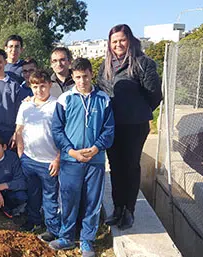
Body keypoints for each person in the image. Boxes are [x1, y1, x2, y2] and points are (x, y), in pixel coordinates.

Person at [98, 24, 162, 230]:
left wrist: (139, 111)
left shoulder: (143, 63)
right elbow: (101, 91)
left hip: (134, 126)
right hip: (112, 125)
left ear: (130, 40)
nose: (118, 44)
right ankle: (117, 208)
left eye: (121, 40)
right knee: (116, 168)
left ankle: (129, 210)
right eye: (114, 41)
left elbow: (154, 95)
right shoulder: (105, 66)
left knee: (130, 166)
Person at [49, 58, 115, 257]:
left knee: (92, 201)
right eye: (78, 77)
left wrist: (96, 148)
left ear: (91, 74)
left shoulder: (103, 99)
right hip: (71, 160)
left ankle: (87, 241)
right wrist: (70, 151)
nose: (82, 81)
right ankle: (67, 237)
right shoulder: (65, 99)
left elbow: (109, 129)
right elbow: (57, 130)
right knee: (69, 199)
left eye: (85, 76)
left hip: (94, 160)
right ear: (72, 77)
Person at [15, 70, 60, 236]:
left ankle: (52, 229)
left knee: (50, 197)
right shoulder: (26, 105)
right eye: (35, 87)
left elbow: (64, 135)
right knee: (32, 194)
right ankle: (34, 221)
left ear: (50, 85)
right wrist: (21, 154)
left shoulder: (57, 106)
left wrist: (58, 159)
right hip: (29, 159)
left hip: (49, 161)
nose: (39, 90)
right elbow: (19, 130)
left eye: (42, 86)